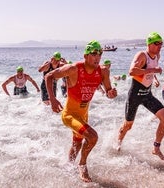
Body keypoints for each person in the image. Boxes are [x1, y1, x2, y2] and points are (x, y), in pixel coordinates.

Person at [45, 40, 117, 182]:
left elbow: (108, 91)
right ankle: (82, 166)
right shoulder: (74, 69)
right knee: (93, 137)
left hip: (83, 115)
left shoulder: (103, 71)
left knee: (77, 144)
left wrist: (111, 93)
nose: (97, 57)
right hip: (70, 115)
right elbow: (49, 76)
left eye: (100, 53)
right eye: (94, 53)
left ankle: (67, 167)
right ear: (85, 56)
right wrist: (52, 99)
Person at [117, 32, 164, 161]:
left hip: (147, 94)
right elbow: (132, 71)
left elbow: (152, 68)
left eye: (161, 43)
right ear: (149, 44)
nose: (160, 46)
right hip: (135, 95)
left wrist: (155, 78)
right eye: (157, 43)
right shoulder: (142, 55)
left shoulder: (157, 55)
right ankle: (118, 141)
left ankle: (156, 148)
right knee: (128, 125)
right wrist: (153, 71)